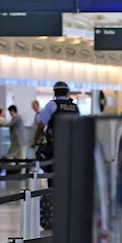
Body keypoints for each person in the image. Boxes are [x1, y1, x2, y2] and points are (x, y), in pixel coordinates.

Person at [36, 81, 79, 230]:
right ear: (67, 93)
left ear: (55, 92)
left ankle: (55, 215)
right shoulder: (74, 107)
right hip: (72, 149)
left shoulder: (52, 105)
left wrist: (34, 141)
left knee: (53, 180)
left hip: (55, 148)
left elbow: (41, 124)